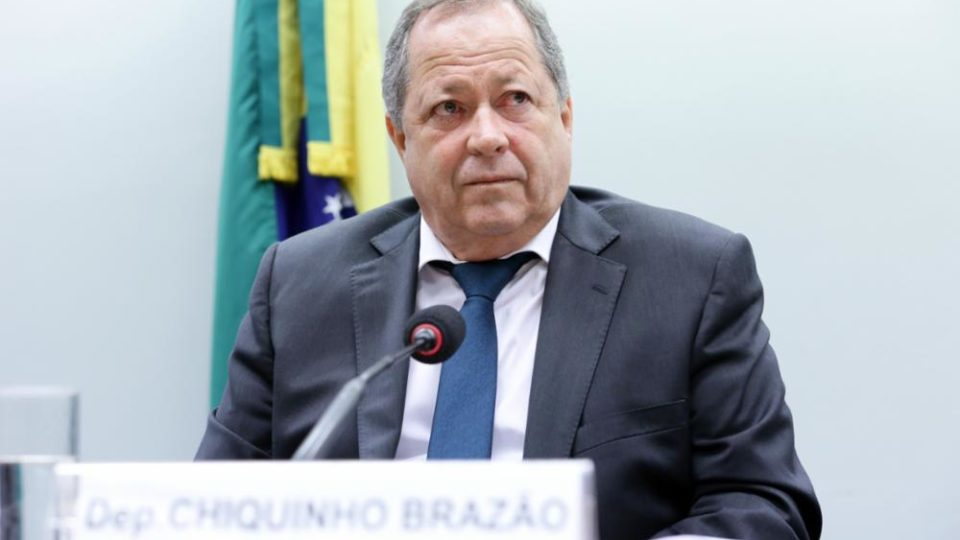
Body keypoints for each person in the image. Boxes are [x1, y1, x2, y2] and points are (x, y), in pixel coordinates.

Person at [197, 0, 822, 538]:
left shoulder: (690, 277)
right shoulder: (300, 284)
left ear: (565, 118)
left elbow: (762, 502)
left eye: (515, 99)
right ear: (399, 138)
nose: (487, 136)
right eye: (449, 108)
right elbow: (215, 505)